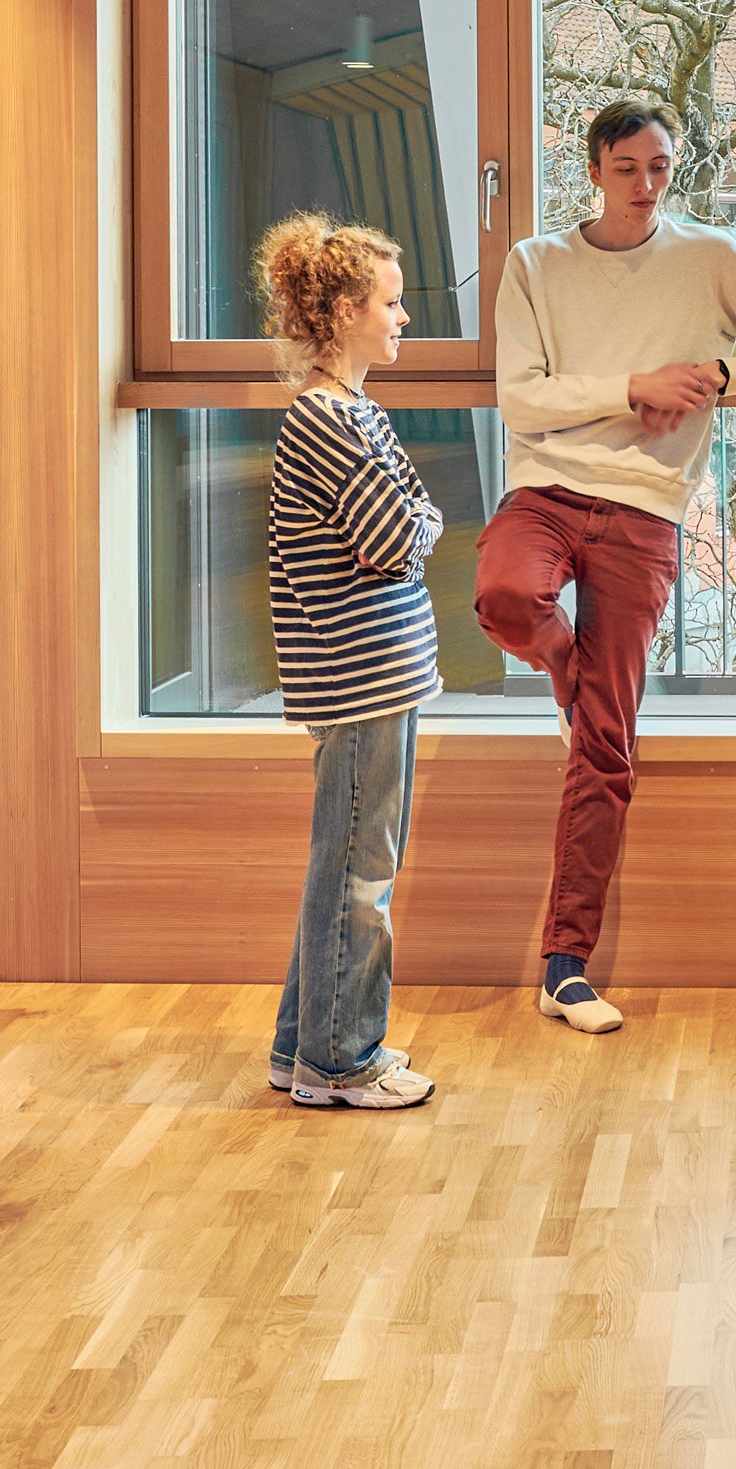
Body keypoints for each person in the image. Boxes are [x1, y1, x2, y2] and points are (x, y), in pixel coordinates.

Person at [477, 100, 736, 1034]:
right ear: (593, 169)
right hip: (546, 491)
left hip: (645, 512)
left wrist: (712, 375)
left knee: (606, 744)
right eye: (628, 167)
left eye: (661, 168)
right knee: (506, 594)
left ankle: (565, 965)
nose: (645, 186)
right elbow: (522, 402)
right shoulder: (535, 263)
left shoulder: (709, 257)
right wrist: (629, 387)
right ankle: (564, 670)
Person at [257, 213, 444, 1111]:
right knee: (360, 874)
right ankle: (341, 1061)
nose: (403, 318)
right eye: (391, 303)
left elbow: (409, 523)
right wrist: (421, 525)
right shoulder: (337, 421)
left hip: (371, 672)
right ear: (341, 313)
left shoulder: (351, 414)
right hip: (364, 674)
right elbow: (397, 535)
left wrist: (418, 523)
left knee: (343, 863)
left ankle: (304, 1045)